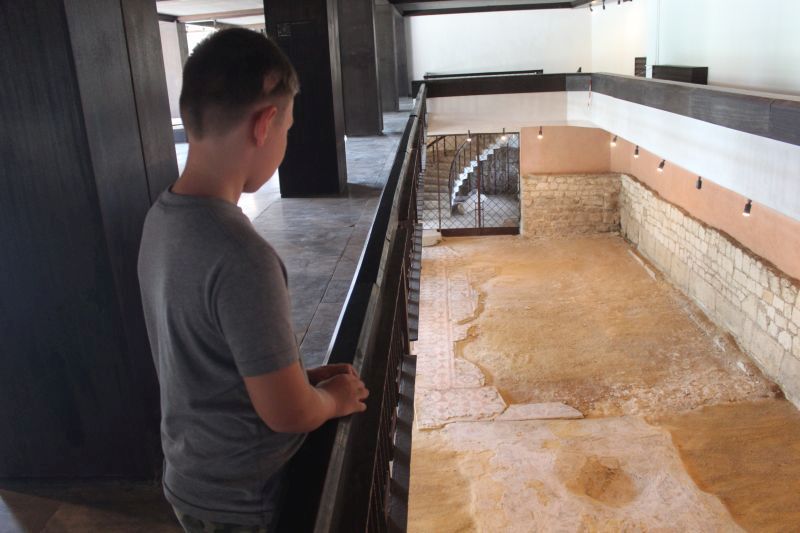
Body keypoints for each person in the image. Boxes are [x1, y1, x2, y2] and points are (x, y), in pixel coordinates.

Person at [137, 28, 369, 532]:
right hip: (243, 499)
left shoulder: (161, 217)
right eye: (287, 128)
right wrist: (333, 400)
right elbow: (287, 415)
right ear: (264, 124)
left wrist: (298, 378)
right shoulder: (242, 256)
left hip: (191, 475)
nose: (285, 142)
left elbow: (209, 360)